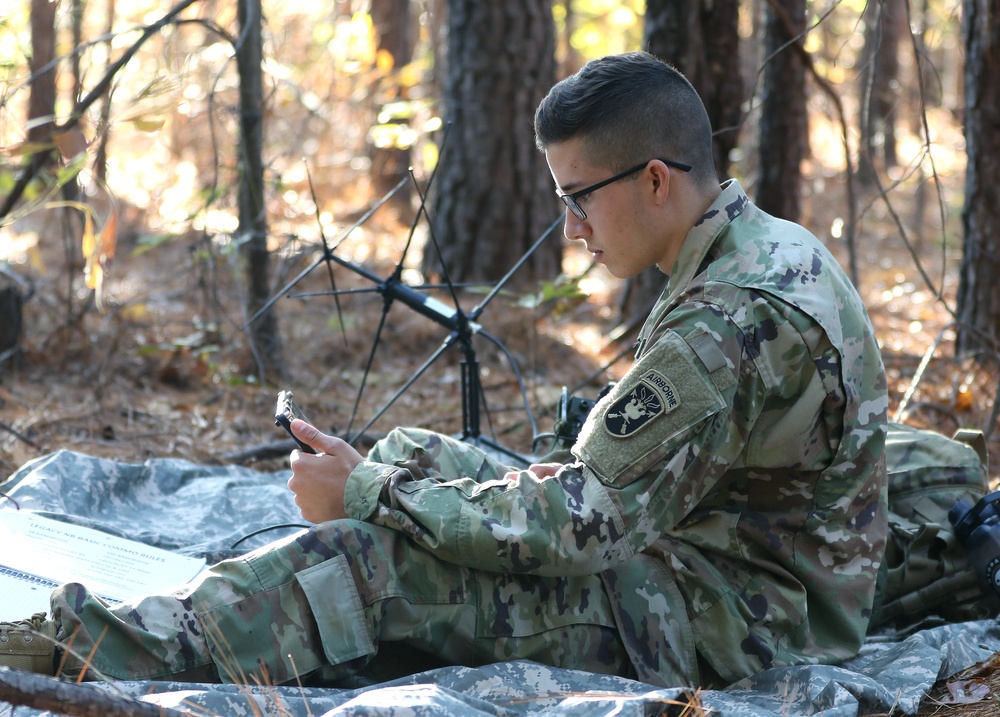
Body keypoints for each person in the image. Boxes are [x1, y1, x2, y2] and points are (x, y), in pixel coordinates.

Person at [0, 51, 888, 689]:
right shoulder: (757, 249)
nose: (571, 228)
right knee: (425, 451)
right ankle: (267, 602)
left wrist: (371, 497)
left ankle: (57, 648)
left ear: (656, 180)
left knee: (366, 560)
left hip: (737, 626)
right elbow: (633, 482)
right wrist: (397, 477)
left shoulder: (730, 317)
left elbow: (579, 529)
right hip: (705, 560)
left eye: (579, 198)